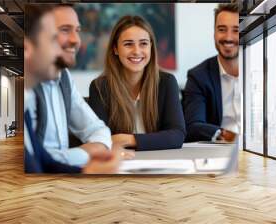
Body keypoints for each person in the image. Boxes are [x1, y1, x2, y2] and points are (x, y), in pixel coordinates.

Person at [24, 5, 120, 173]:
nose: (76, 40)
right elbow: (37, 162)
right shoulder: (27, 95)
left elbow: (97, 129)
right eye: (62, 31)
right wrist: (88, 154)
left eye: (78, 30)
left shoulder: (64, 77)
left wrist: (89, 163)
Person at [88, 15, 186, 151]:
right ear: (115, 49)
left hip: (159, 162)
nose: (136, 51)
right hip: (119, 164)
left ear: (151, 47)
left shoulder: (166, 82)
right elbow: (100, 140)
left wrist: (129, 139)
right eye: (128, 44)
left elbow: (177, 135)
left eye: (143, 43)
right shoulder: (99, 87)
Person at [183, 3, 240, 142]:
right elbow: (193, 125)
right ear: (214, 33)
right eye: (222, 29)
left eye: (236, 30)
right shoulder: (198, 76)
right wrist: (232, 138)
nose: (228, 37)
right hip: (219, 151)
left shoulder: (265, 70)